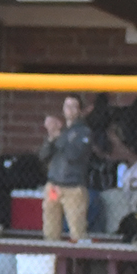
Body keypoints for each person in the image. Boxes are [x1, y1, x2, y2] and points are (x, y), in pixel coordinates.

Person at [39, 95, 95, 243]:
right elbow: (43, 155)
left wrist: (58, 137)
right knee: (50, 232)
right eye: (66, 106)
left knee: (77, 232)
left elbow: (74, 155)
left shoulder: (84, 132)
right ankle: (51, 263)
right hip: (54, 187)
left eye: (73, 106)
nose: (69, 110)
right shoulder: (61, 131)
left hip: (73, 188)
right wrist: (51, 138)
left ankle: (79, 263)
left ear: (80, 111)